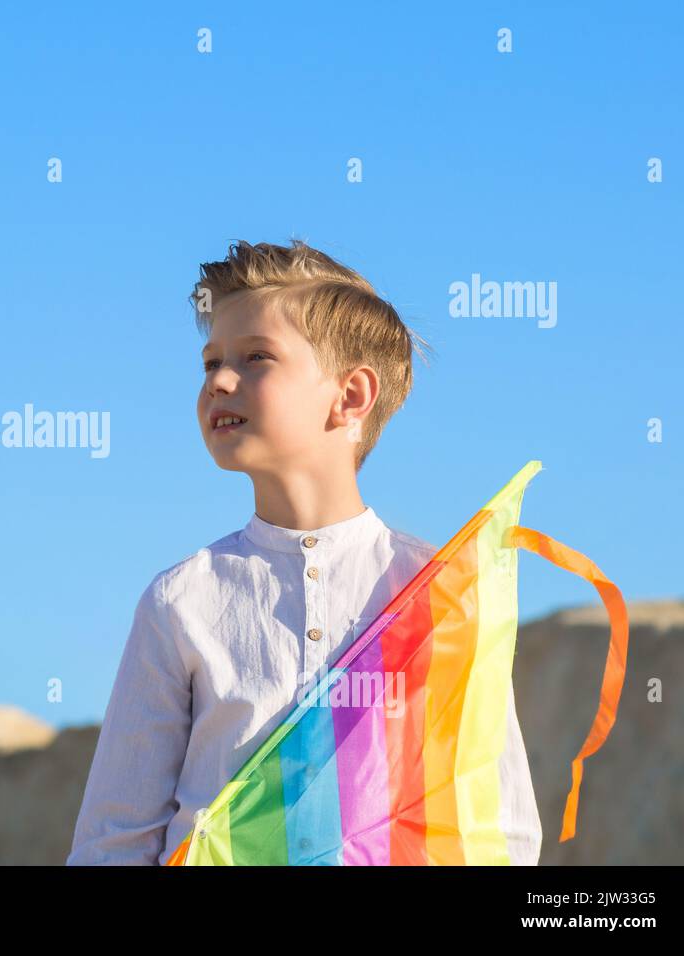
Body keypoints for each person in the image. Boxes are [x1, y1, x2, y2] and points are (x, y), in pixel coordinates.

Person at [65, 239, 542, 866]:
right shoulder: (181, 600)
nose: (220, 381)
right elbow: (114, 837)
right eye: (210, 363)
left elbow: (498, 825)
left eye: (255, 357)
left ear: (350, 397)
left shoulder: (440, 595)